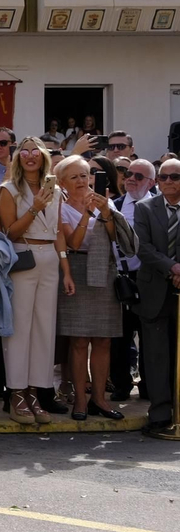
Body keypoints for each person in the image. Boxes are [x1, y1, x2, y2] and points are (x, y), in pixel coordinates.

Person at [0, 137, 70, 424]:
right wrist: (35, 207)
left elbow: (59, 232)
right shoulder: (9, 190)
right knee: (19, 329)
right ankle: (16, 393)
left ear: (43, 157)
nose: (29, 156)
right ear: (17, 157)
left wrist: (66, 268)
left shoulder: (55, 189)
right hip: (23, 256)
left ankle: (36, 393)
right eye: (24, 152)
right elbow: (10, 232)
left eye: (35, 152)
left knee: (44, 329)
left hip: (50, 258)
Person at [56, 155, 133, 421]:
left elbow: (116, 237)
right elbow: (73, 243)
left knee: (104, 340)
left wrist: (106, 213)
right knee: (78, 341)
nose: (82, 181)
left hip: (104, 270)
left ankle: (99, 399)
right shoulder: (61, 207)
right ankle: (80, 400)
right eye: (74, 176)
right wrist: (87, 214)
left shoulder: (106, 201)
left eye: (85, 175)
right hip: (75, 271)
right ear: (63, 182)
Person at [134, 158, 180, 439]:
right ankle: (161, 415)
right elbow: (143, 247)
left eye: (174, 177)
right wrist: (172, 268)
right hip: (155, 290)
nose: (168, 182)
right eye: (163, 178)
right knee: (156, 355)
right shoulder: (144, 208)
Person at [111, 158, 154, 400]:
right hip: (120, 278)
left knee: (149, 336)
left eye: (139, 176)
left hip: (149, 279)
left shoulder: (158, 207)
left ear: (151, 182)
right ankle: (121, 384)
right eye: (128, 173)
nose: (131, 178)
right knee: (120, 336)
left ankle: (149, 385)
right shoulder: (113, 205)